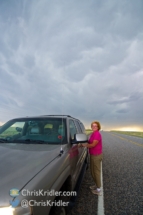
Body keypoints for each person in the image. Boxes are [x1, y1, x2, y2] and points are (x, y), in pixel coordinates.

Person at [81, 121, 103, 195]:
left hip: (96, 155)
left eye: (95, 126)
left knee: (96, 172)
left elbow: (93, 145)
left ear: (98, 127)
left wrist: (84, 145)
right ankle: (96, 185)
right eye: (93, 126)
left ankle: (99, 189)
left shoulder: (97, 134)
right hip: (93, 155)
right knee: (92, 171)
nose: (94, 127)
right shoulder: (93, 134)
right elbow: (89, 142)